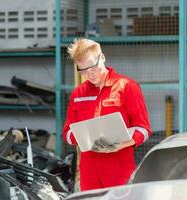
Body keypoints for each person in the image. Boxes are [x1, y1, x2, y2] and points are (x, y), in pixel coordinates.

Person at [62, 38, 151, 191]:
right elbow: (67, 133)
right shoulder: (78, 93)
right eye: (83, 70)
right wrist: (84, 137)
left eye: (93, 68)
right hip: (89, 172)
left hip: (119, 170)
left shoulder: (127, 87)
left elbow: (144, 130)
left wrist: (120, 144)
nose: (90, 74)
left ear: (102, 57)